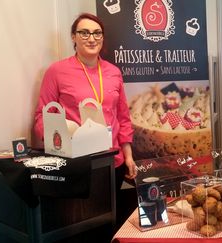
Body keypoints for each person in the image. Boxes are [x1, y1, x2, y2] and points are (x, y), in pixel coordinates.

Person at [33, 12, 138, 226]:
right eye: (84, 33)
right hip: (76, 164)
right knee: (81, 224)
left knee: (108, 222)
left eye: (97, 33)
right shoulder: (57, 71)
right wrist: (59, 143)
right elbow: (43, 116)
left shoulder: (114, 72)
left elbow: (123, 118)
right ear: (73, 37)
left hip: (112, 163)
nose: (92, 38)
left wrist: (128, 157)